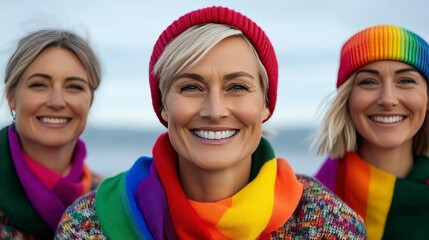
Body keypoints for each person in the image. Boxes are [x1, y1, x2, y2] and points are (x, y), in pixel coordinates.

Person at [55, 6, 365, 239]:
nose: (215, 110)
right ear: (163, 106)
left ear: (266, 105)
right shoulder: (90, 224)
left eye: (238, 87)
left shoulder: (329, 224)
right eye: (190, 87)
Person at [313, 24, 429, 240]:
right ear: (347, 99)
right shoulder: (310, 202)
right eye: (368, 81)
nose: (388, 99)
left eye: (405, 81)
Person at [0, 29, 102, 239]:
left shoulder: (109, 202)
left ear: (89, 101)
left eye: (74, 87)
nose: (57, 102)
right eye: (39, 85)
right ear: (12, 97)